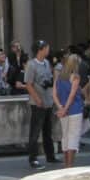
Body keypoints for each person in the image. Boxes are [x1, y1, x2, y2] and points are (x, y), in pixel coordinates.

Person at [24, 40, 58, 169]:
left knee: (47, 130)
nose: (48, 50)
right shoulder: (31, 65)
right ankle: (33, 158)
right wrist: (37, 99)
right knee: (35, 131)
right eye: (46, 48)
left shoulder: (47, 63)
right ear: (41, 49)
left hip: (48, 100)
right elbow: (28, 84)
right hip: (38, 102)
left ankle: (50, 156)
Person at [53, 54, 84, 168]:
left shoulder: (58, 76)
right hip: (74, 109)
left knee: (65, 136)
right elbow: (72, 96)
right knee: (73, 136)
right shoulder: (75, 76)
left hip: (62, 110)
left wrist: (60, 108)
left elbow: (54, 95)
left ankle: (66, 164)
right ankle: (70, 165)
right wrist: (65, 109)